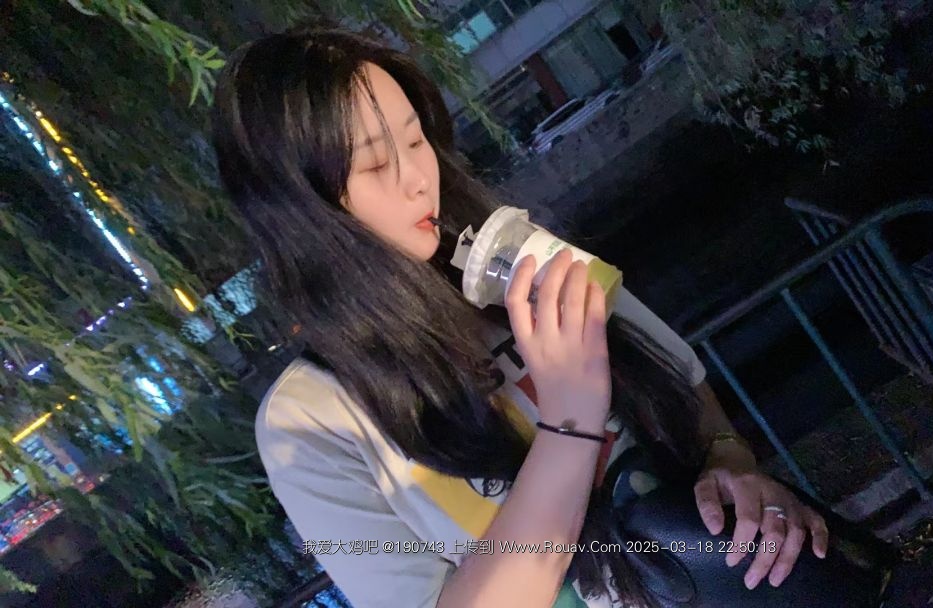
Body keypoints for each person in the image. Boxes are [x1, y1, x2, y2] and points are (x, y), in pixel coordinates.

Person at [211, 25, 874, 608]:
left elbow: (684, 384)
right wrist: (570, 420)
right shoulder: (309, 420)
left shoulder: (521, 259)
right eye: (377, 163)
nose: (418, 177)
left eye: (416, 140)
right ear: (303, 210)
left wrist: (733, 464)